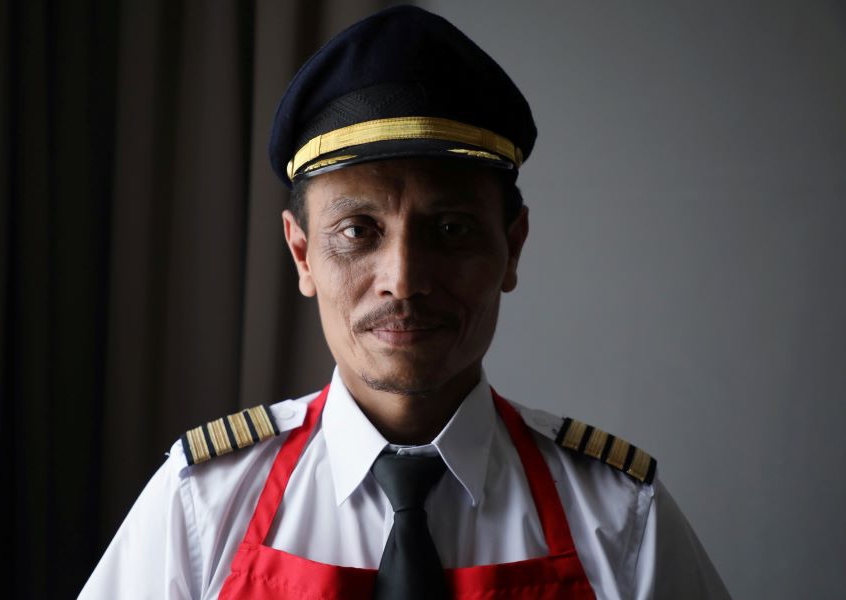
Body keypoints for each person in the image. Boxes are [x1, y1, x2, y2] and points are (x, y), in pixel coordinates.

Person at [80, 6, 729, 599]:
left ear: (513, 246)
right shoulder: (202, 503)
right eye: (358, 231)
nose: (404, 279)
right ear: (303, 255)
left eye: (450, 229)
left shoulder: (619, 517)